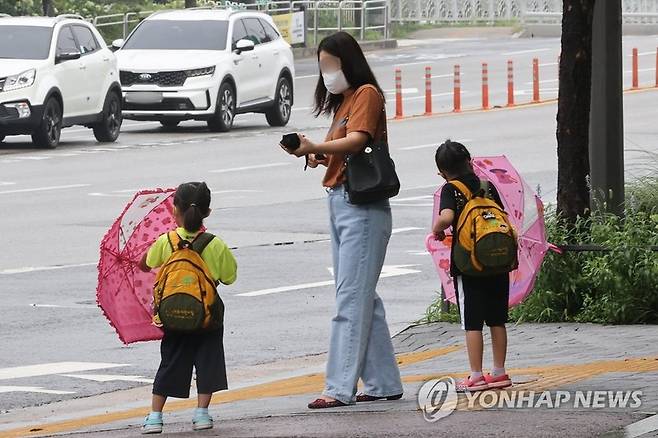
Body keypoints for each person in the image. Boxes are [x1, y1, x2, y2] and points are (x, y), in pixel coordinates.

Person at [281, 31, 403, 409]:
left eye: (330, 65)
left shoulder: (366, 93)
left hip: (361, 209)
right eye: (322, 66)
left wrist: (317, 146)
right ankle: (383, 382)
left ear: (347, 62)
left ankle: (338, 388)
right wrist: (318, 155)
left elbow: (358, 140)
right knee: (362, 297)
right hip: (341, 203)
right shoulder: (344, 100)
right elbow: (345, 150)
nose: (326, 72)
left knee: (350, 299)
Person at [138, 182, 237, 433]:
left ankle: (154, 417)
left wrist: (143, 259)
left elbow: (147, 264)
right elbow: (229, 276)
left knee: (170, 361)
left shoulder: (166, 241)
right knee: (208, 360)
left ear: (174, 211)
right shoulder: (215, 244)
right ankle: (202, 414)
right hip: (207, 316)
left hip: (173, 315)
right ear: (208, 212)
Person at [431, 140, 513, 392]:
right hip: (497, 260)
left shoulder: (450, 188)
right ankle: (499, 372)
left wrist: (436, 230)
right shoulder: (487, 186)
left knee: (472, 322)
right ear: (470, 161)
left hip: (468, 264)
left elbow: (446, 217)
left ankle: (476, 375)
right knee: (497, 319)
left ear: (442, 171)